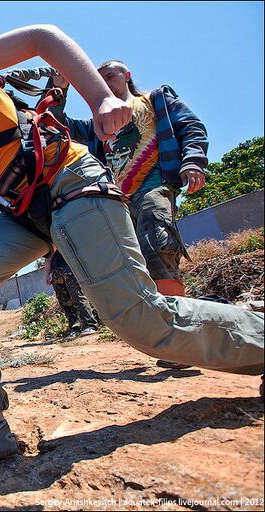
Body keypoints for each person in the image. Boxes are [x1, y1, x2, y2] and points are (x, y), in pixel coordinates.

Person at [0, 28, 263, 464]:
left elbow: (42, 36)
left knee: (143, 320)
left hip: (71, 185)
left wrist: (101, 98)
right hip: (29, 213)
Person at [48, 61, 208, 369]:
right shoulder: (98, 125)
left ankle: (181, 338)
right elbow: (55, 124)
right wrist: (59, 88)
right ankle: (161, 332)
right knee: (131, 264)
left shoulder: (153, 101)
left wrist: (193, 160)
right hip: (118, 202)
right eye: (99, 77)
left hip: (155, 186)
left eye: (110, 74)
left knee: (158, 244)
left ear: (127, 76)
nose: (105, 80)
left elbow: (191, 126)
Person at [44, 250, 99, 338]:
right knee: (65, 302)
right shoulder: (47, 240)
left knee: (78, 296)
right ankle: (74, 329)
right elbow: (48, 257)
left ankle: (90, 325)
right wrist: (47, 274)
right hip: (56, 271)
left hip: (69, 267)